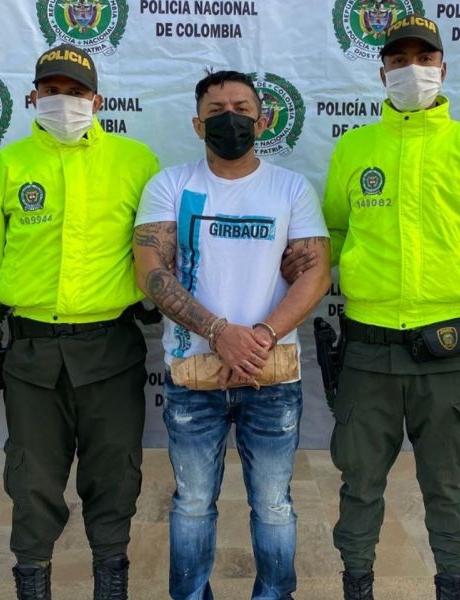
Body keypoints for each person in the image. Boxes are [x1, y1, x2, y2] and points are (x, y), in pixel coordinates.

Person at [302, 13, 460, 600]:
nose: (411, 69)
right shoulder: (354, 147)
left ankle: (451, 584)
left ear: (442, 69)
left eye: (423, 59)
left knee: (446, 483)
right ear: (382, 71)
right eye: (399, 60)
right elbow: (337, 232)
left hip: (443, 345)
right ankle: (357, 584)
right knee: (360, 481)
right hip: (368, 345)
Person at [0, 43, 159, 600]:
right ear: (33, 96)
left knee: (115, 478)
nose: (64, 102)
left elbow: (165, 259)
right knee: (32, 480)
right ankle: (32, 583)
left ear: (98, 100)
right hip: (32, 356)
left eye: (77, 93)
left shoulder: (136, 163)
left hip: (111, 349)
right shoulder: (7, 167)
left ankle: (111, 584)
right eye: (53, 92)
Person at [132, 69, 332, 600]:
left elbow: (316, 273)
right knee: (193, 502)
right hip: (192, 373)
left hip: (272, 373)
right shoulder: (171, 185)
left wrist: (260, 334)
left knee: (273, 504)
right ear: (198, 125)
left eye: (242, 109)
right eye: (217, 111)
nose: (231, 119)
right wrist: (219, 333)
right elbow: (152, 273)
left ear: (263, 120)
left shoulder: (290, 187)